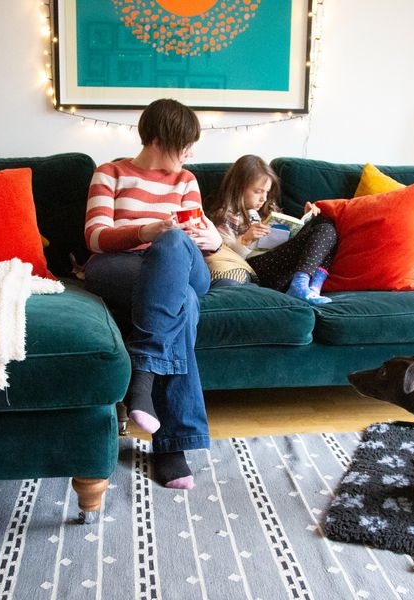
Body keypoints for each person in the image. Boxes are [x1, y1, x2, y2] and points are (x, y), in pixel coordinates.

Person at [83, 98, 222, 490]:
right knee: (185, 304)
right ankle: (171, 447)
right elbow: (95, 236)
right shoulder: (109, 173)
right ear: (161, 139)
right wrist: (147, 232)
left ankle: (141, 376)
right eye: (186, 143)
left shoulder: (187, 181)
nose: (191, 152)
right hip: (120, 266)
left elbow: (196, 235)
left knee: (176, 245)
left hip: (183, 265)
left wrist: (211, 241)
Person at [205, 155, 337, 304]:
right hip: (257, 269)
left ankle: (311, 287)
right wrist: (245, 239)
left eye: (266, 192)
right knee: (322, 231)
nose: (263, 198)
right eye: (258, 191)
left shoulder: (269, 209)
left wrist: (306, 220)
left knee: (325, 225)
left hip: (281, 268)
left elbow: (288, 242)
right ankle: (300, 285)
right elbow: (223, 257)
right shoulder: (224, 216)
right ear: (239, 187)